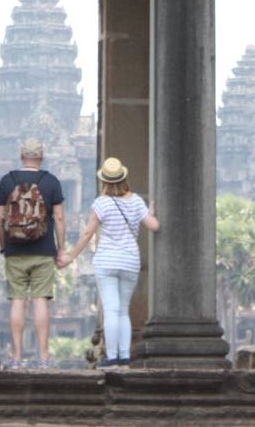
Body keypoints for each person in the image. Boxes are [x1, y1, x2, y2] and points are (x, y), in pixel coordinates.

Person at [61, 156, 159, 368]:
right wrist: (150, 210)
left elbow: (87, 233)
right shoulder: (135, 202)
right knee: (123, 310)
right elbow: (154, 226)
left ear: (104, 181)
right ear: (123, 177)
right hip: (130, 261)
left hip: (106, 261)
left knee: (111, 310)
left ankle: (112, 356)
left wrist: (71, 256)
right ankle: (124, 356)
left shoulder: (101, 203)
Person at [0, 137, 66, 370]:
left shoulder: (7, 181)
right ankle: (43, 357)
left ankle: (16, 357)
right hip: (43, 250)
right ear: (41, 157)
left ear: (22, 156)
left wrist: (4, 245)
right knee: (40, 301)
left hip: (15, 250)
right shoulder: (51, 182)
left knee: (17, 301)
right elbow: (60, 218)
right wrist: (60, 248)